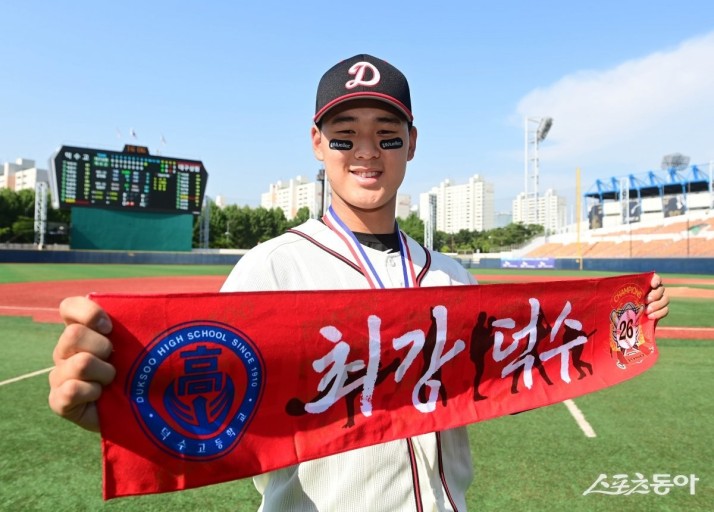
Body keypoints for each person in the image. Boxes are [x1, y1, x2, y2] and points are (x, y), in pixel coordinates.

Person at [48, 54, 670, 511]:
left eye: (386, 134)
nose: (366, 151)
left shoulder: (452, 278)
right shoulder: (272, 269)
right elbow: (207, 399)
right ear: (317, 144)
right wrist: (113, 406)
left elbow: (518, 361)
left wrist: (621, 320)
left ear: (412, 144)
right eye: (345, 135)